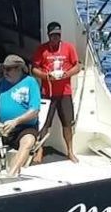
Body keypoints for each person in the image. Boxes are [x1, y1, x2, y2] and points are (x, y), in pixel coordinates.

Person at [30, 21, 82, 163]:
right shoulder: (42, 50)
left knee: (67, 124)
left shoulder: (68, 48)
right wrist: (46, 76)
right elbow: (34, 69)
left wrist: (67, 74)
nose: (55, 38)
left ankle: (70, 151)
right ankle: (39, 150)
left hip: (65, 93)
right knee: (44, 124)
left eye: (58, 35)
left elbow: (77, 66)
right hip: (47, 93)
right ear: (48, 35)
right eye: (53, 35)